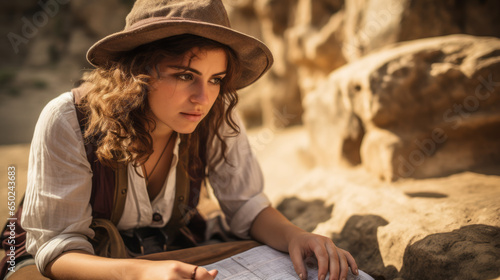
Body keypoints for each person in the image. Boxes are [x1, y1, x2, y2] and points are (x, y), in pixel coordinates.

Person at [18, 0, 358, 279]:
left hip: (170, 254)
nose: (203, 97)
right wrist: (142, 274)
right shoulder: (69, 119)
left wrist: (296, 236)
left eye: (216, 79)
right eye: (185, 75)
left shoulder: (216, 112)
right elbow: (60, 251)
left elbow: (246, 207)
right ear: (138, 72)